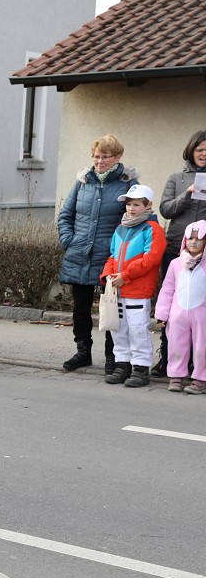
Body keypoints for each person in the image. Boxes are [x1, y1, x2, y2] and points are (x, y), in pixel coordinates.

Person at [57, 134, 139, 373]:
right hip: (80, 254)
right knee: (80, 308)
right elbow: (65, 216)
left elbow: (134, 219)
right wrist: (69, 241)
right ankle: (83, 352)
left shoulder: (127, 184)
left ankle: (113, 356)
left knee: (111, 307)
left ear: (117, 157)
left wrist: (121, 251)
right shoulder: (83, 182)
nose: (99, 161)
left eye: (105, 157)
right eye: (96, 156)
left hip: (110, 258)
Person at [99, 184, 165, 387]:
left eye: (136, 204)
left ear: (148, 205)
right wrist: (108, 275)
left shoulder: (153, 229)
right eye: (128, 204)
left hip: (137, 291)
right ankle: (122, 365)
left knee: (138, 330)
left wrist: (125, 275)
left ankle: (141, 369)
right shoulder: (121, 228)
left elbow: (150, 259)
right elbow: (112, 255)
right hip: (118, 288)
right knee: (119, 330)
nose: (131, 208)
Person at [155, 130, 206, 378]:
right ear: (191, 151)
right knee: (174, 309)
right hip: (177, 248)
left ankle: (199, 367)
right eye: (200, 150)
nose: (204, 154)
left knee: (200, 312)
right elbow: (165, 209)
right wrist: (186, 196)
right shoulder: (177, 177)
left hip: (204, 255)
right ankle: (168, 361)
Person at [155, 220, 206, 394]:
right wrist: (162, 313)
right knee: (176, 344)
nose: (193, 242)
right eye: (190, 238)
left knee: (202, 347)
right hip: (178, 314)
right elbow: (167, 289)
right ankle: (176, 376)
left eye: (198, 239)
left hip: (202, 315)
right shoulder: (176, 263)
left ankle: (200, 378)